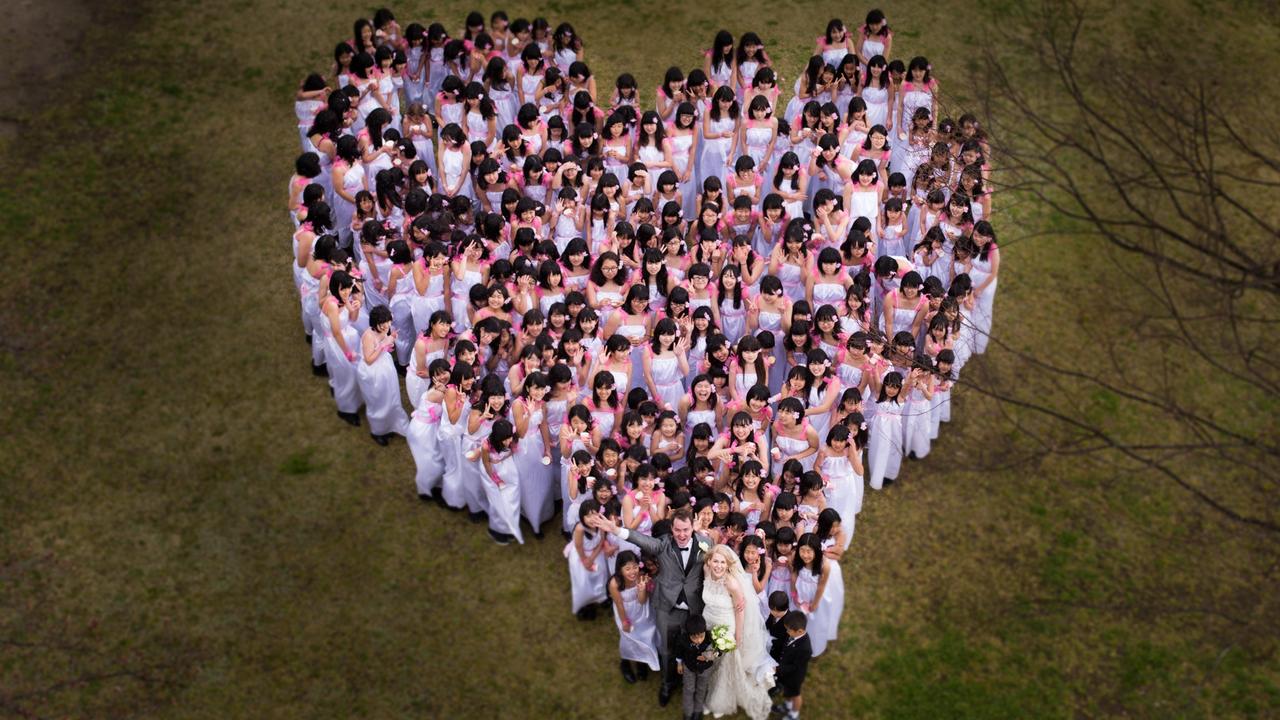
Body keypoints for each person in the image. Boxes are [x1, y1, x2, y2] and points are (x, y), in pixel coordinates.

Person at [585, 507, 712, 707]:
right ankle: (667, 684)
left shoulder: (706, 543)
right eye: (677, 530)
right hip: (666, 608)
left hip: (694, 609)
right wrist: (616, 530)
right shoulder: (662, 545)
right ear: (671, 529)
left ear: (692, 529)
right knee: (666, 650)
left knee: (694, 646)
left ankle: (690, 681)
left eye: (686, 530)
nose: (681, 535)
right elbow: (638, 539)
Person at [701, 544, 775, 720]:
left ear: (728, 565)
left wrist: (738, 636)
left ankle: (718, 701)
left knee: (725, 664)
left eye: (722, 562)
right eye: (715, 561)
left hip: (726, 626)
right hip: (708, 622)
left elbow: (740, 610)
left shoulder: (732, 583)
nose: (718, 566)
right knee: (711, 660)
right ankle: (706, 688)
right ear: (709, 561)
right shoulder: (706, 571)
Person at [772, 611, 813, 720]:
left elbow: (796, 667)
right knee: (787, 690)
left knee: (795, 694)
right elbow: (785, 646)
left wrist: (778, 669)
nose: (787, 632)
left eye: (788, 630)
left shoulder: (805, 649)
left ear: (799, 631)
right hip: (786, 672)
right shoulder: (793, 634)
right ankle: (787, 705)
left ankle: (794, 714)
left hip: (795, 677)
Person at [676, 614, 717, 720]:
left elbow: (718, 651)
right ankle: (688, 712)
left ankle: (698, 711)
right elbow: (679, 652)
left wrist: (710, 655)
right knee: (688, 689)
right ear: (688, 634)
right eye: (694, 637)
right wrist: (679, 663)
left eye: (701, 636)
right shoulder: (683, 639)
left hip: (705, 669)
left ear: (705, 631)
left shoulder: (711, 637)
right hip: (689, 667)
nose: (698, 640)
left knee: (702, 688)